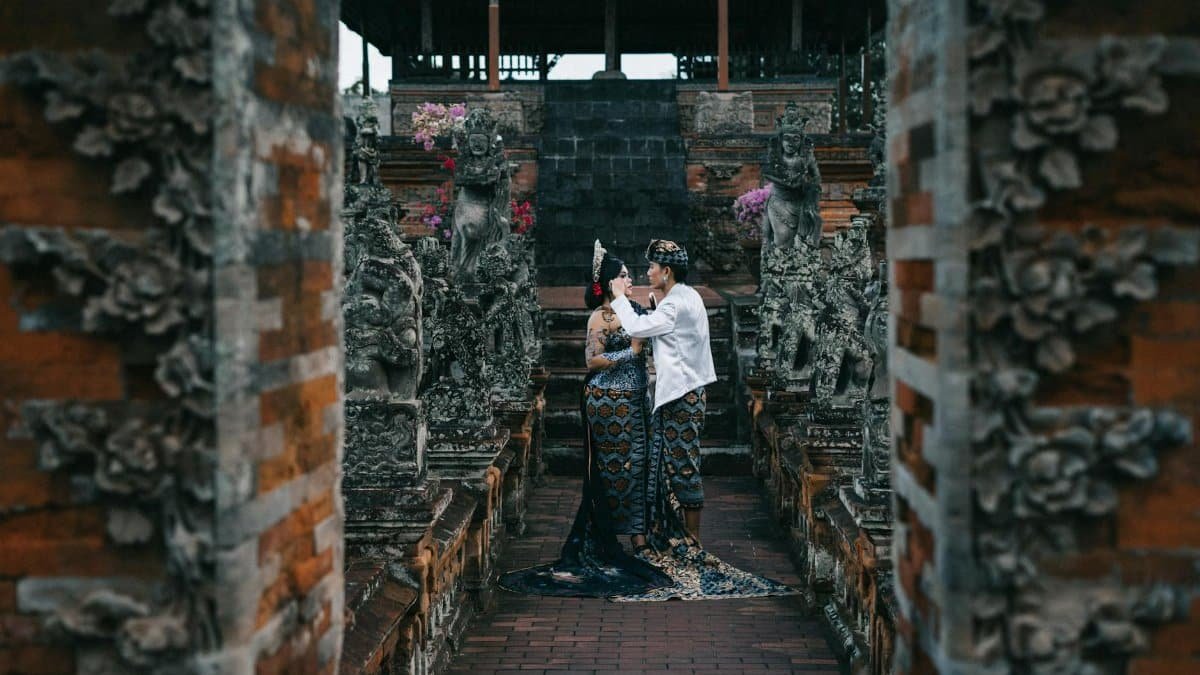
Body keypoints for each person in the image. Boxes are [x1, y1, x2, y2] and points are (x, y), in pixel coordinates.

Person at [498, 242, 672, 597]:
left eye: (629, 274)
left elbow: (656, 341)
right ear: (610, 282)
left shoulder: (636, 310)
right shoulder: (601, 317)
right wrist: (631, 351)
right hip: (606, 402)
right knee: (609, 470)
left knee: (638, 464)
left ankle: (639, 535)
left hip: (636, 398)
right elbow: (591, 361)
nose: (630, 279)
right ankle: (609, 536)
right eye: (623, 275)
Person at [608, 239, 715, 541]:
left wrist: (618, 299)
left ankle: (693, 539)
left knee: (682, 463)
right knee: (673, 462)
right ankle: (678, 532)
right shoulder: (686, 295)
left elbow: (637, 329)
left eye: (652, 268)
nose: (647, 274)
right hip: (685, 392)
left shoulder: (675, 303)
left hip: (682, 395)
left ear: (666, 271)